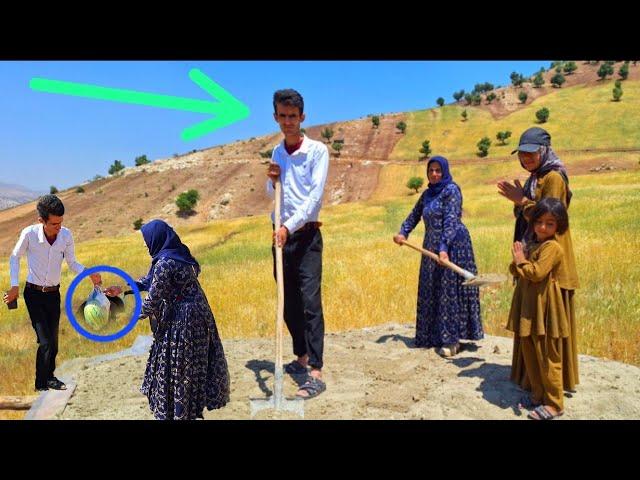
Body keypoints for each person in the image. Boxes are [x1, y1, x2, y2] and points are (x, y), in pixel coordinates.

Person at [108, 219, 230, 419]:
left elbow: (153, 299)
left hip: (184, 322)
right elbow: (151, 281)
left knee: (178, 367)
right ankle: (186, 411)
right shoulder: (175, 253)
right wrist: (124, 289)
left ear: (156, 238)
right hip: (196, 316)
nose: (146, 245)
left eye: (147, 240)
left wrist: (128, 318)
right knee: (187, 368)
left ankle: (179, 412)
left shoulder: (165, 262)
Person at [497, 127, 579, 394]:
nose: (526, 158)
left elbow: (551, 217)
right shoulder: (537, 177)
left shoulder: (553, 176)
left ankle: (552, 388)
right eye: (522, 154)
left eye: (531, 153)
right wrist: (521, 202)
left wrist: (523, 202)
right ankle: (530, 379)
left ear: (543, 151)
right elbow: (528, 213)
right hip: (533, 259)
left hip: (549, 265)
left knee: (549, 327)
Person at [265, 88, 329, 399]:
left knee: (310, 302)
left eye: (293, 116)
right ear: (275, 117)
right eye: (282, 116)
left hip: (305, 236)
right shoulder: (277, 153)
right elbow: (272, 193)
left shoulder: (318, 151)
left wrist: (289, 227)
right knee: (287, 302)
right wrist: (271, 178)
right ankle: (301, 356)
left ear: (302, 117)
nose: (288, 121)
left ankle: (315, 371)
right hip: (280, 236)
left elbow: (314, 197)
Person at [4, 194, 102, 391]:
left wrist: (90, 273)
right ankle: (40, 385)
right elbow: (15, 257)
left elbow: (72, 262)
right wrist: (14, 286)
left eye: (61, 223)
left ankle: (50, 378)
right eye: (54, 224)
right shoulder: (29, 234)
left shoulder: (66, 235)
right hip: (33, 295)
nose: (59, 228)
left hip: (53, 294)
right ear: (42, 221)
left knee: (54, 343)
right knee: (45, 341)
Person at [393, 156, 482, 357]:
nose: (434, 174)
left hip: (453, 246)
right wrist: (403, 233)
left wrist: (443, 249)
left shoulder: (452, 190)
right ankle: (432, 336)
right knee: (431, 289)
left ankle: (452, 341)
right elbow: (414, 215)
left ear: (445, 171)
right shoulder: (427, 194)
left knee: (449, 292)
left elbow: (451, 221)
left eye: (438, 170)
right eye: (431, 170)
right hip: (431, 247)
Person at [506, 198, 573, 420]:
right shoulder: (533, 243)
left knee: (547, 355)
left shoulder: (553, 247)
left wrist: (521, 261)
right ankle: (537, 395)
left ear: (559, 226)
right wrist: (518, 261)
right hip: (528, 304)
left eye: (550, 223)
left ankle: (554, 404)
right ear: (533, 222)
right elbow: (517, 270)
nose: (543, 227)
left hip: (544, 307)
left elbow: (536, 273)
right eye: (539, 222)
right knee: (530, 351)